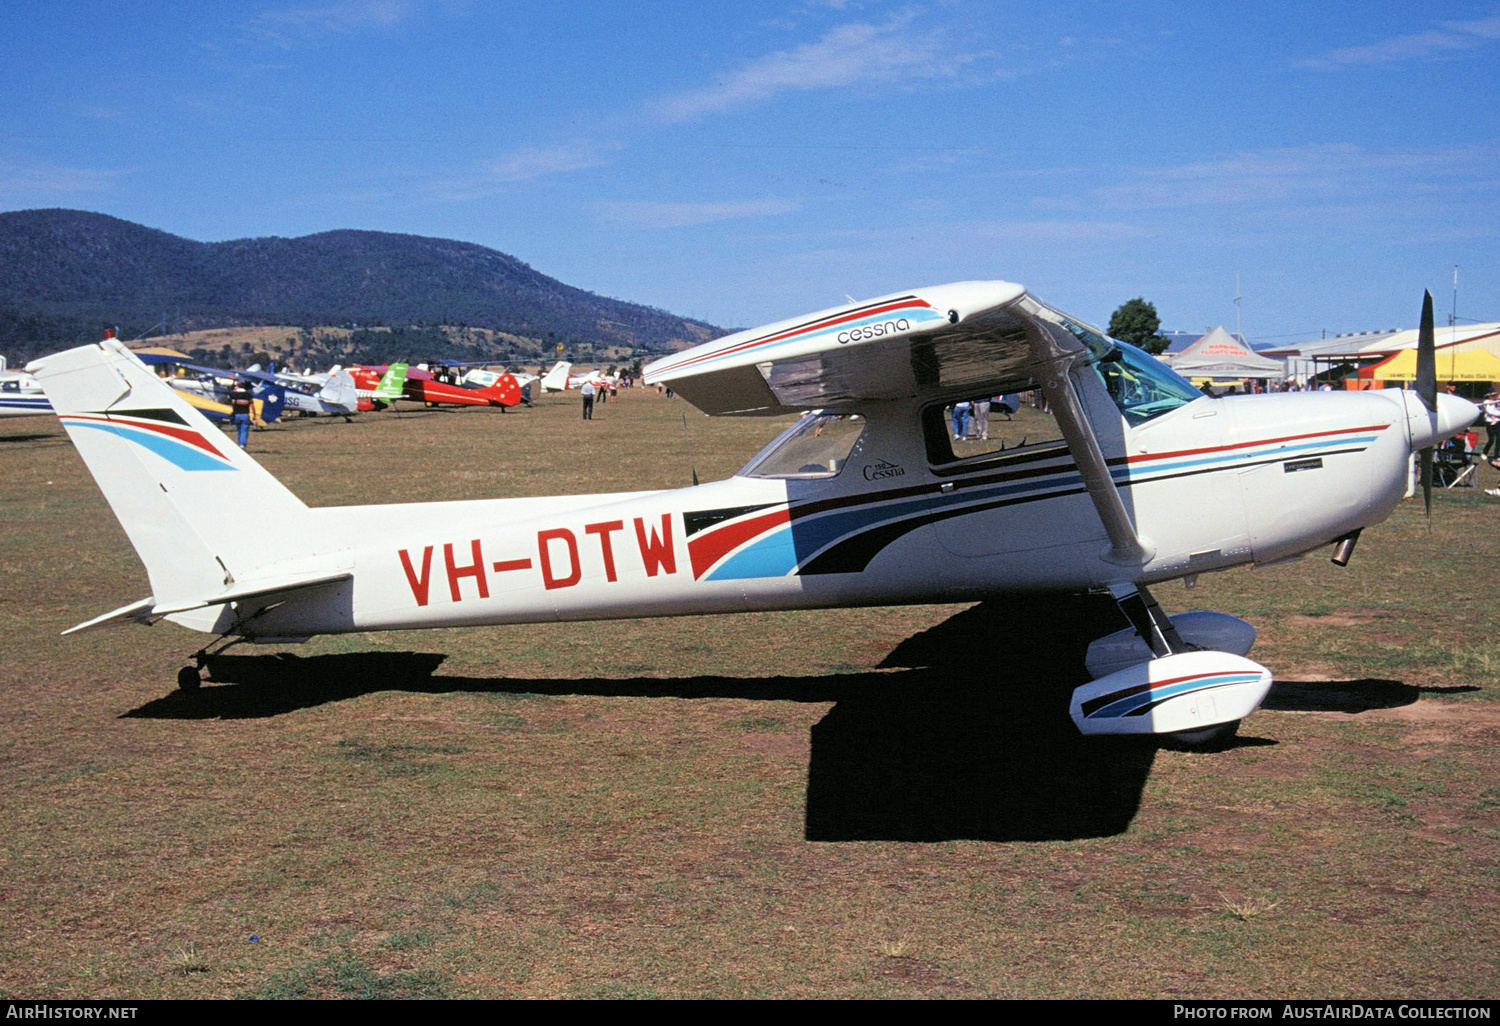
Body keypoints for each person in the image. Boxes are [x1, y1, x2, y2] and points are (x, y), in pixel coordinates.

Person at [227, 378, 254, 448]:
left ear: (237, 386)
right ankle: (242, 444)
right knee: (244, 430)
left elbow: (228, 398)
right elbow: (251, 404)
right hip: (245, 414)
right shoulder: (248, 395)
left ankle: (239, 443)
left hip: (236, 414)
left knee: (239, 430)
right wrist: (253, 414)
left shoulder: (233, 394)